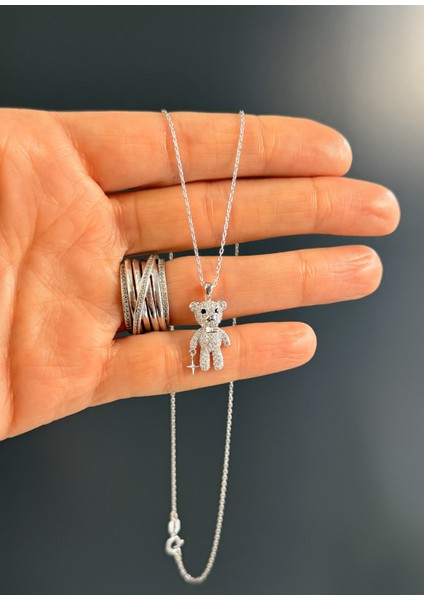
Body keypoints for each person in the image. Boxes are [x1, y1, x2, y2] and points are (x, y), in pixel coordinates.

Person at [0, 108, 400, 441]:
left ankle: (205, 363)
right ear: (202, 309)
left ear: (214, 309)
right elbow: (200, 340)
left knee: (212, 353)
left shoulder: (213, 320)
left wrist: (212, 340)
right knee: (205, 354)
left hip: (204, 344)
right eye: (206, 312)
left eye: (211, 312)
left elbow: (217, 336)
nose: (209, 314)